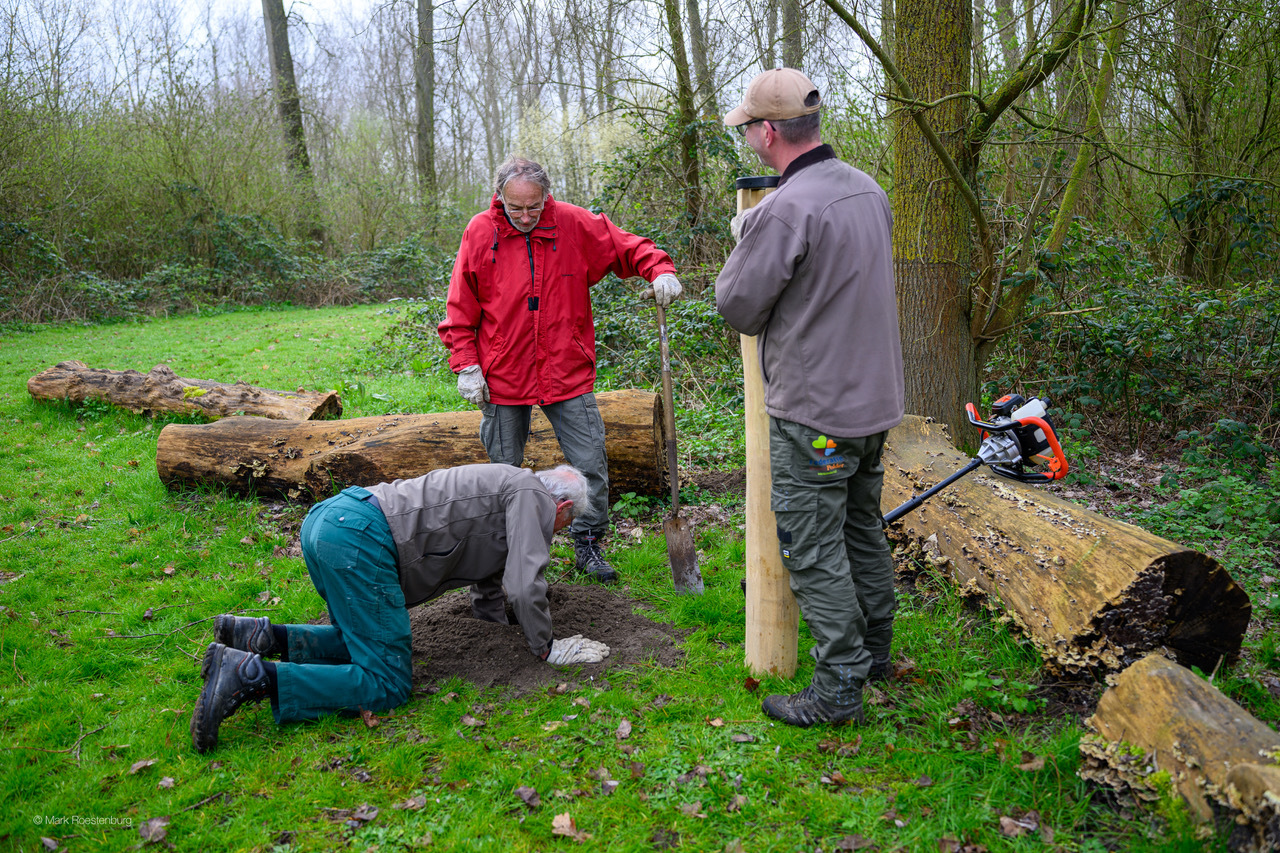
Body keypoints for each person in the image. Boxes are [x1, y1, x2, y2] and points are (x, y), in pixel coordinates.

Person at [715, 69, 905, 727]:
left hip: (818, 414)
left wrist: (747, 237)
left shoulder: (785, 209)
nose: (747, 138)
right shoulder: (867, 189)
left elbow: (737, 306)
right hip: (874, 404)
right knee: (859, 524)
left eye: (747, 129)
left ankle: (840, 683)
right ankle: (877, 650)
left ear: (768, 132)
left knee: (813, 542)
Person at [190, 464, 611, 752]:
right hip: (360, 538)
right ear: (562, 509)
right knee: (387, 682)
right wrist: (547, 647)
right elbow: (522, 584)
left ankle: (257, 637)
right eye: (566, 527)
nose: (560, 533)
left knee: (360, 640)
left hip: (333, 519)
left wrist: (494, 628)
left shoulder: (512, 486)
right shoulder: (532, 496)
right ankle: (252, 676)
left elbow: (493, 574)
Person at [439, 156, 684, 585]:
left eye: (534, 207)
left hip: (566, 369)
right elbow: (461, 303)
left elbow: (628, 246)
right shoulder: (481, 231)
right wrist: (466, 364)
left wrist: (660, 269)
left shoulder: (572, 223)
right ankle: (506, 552)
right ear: (500, 198)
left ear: (546, 196)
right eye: (516, 208)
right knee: (503, 471)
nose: (526, 217)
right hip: (503, 373)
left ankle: (588, 544)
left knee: (590, 464)